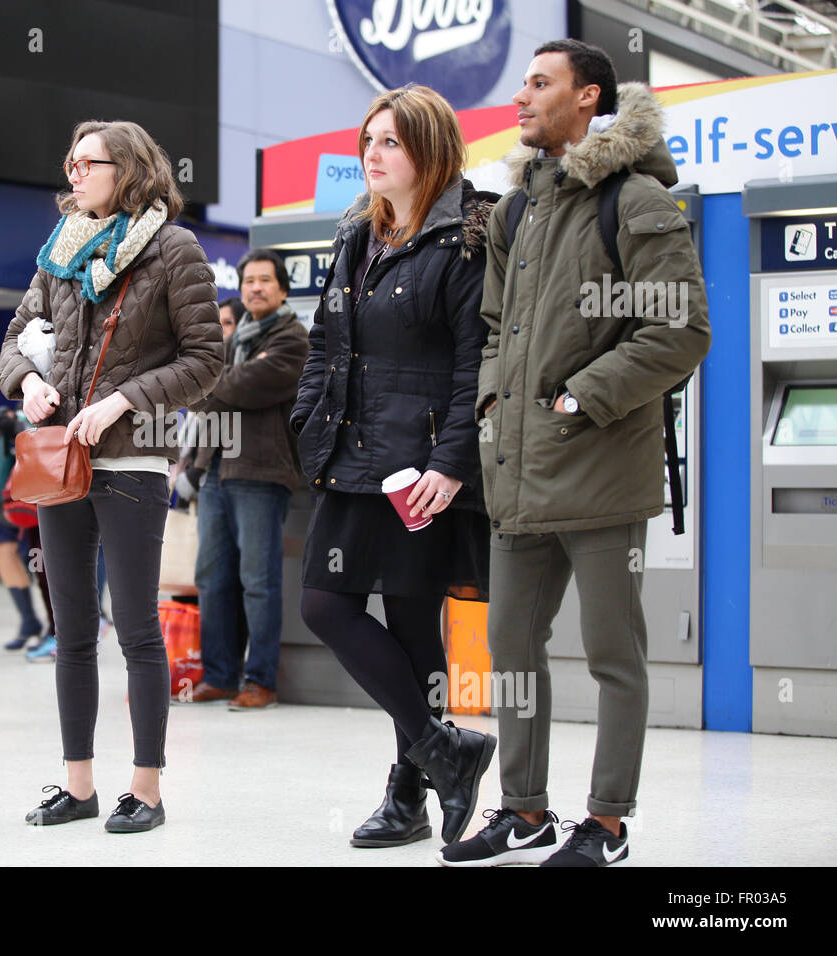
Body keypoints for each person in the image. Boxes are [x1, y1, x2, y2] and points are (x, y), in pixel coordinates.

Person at [442, 40, 711, 868]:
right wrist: (493, 398)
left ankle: (608, 823)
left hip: (600, 472)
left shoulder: (634, 202)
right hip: (517, 474)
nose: (520, 97)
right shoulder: (516, 212)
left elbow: (681, 329)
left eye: (539, 84)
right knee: (513, 655)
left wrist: (580, 395)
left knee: (610, 656)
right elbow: (492, 328)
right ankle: (523, 809)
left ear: (588, 97)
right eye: (521, 82)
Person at [0, 119, 223, 833]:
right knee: (71, 629)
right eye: (69, 162)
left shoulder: (173, 249)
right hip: (60, 459)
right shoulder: (58, 251)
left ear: (126, 169)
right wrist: (28, 383)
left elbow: (205, 359)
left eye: (86, 163)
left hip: (132, 459)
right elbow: (14, 340)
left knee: (136, 631)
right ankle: (78, 784)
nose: (73, 174)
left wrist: (125, 399)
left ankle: (148, 788)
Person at [291, 84, 499, 849]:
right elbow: (325, 341)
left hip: (421, 467)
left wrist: (451, 463)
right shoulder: (357, 237)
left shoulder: (466, 240)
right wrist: (306, 418)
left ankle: (407, 793)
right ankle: (446, 749)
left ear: (430, 151)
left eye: (390, 142)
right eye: (368, 141)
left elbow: (477, 360)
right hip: (351, 454)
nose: (372, 155)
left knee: (415, 626)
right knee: (325, 605)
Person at [185, 249, 307, 709]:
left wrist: (208, 379)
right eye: (248, 280)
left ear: (282, 288)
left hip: (261, 471)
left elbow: (237, 389)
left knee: (258, 580)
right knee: (212, 577)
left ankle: (261, 681)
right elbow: (202, 401)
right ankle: (219, 675)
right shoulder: (232, 343)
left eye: (264, 280)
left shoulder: (293, 338)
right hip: (216, 468)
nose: (255, 287)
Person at [0, 405, 50, 652]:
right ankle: (29, 621)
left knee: (44, 567)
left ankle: (55, 630)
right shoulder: (9, 418)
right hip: (11, 501)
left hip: (38, 496)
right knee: (1, 550)